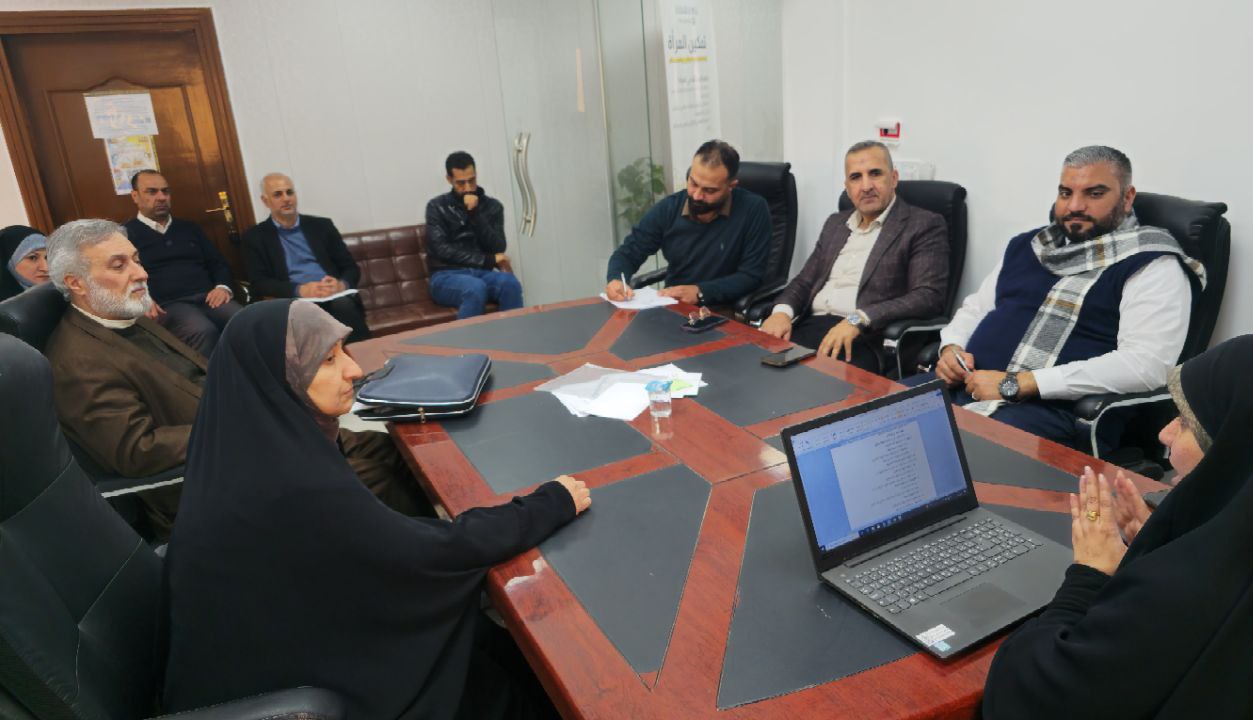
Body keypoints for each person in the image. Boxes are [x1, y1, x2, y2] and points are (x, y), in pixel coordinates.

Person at [163, 299, 591, 719]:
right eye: (327, 360)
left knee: (483, 637)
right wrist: (547, 505)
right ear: (281, 378)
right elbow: (429, 553)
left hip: (276, 643)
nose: (353, 369)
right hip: (303, 687)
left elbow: (372, 538)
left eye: (342, 352)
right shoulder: (294, 482)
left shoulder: (240, 442)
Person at [43, 219, 428, 540]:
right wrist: (244, 425)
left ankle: (432, 538)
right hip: (211, 483)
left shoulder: (125, 319)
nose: (141, 273)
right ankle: (415, 564)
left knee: (387, 446)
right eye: (119, 265)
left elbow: (202, 380)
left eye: (136, 259)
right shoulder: (77, 361)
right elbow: (137, 450)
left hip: (248, 443)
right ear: (76, 283)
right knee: (369, 478)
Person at [983, 333, 1253, 719]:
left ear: (1237, 450)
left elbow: (1025, 696)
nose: (1164, 434)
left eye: (1185, 423)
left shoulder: (1182, 599)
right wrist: (1157, 553)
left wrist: (1089, 575)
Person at [927, 146, 1205, 454]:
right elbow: (976, 309)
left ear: (1127, 198)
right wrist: (951, 348)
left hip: (1047, 414)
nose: (1075, 206)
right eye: (1065, 192)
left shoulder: (1153, 264)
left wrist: (1020, 383)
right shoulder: (1029, 246)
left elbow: (1146, 364)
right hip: (963, 386)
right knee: (888, 416)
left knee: (934, 452)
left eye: (1094, 194)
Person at [759, 141, 948, 372]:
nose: (866, 186)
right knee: (752, 369)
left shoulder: (923, 225)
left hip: (864, 338)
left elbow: (928, 296)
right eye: (856, 177)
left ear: (894, 178)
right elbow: (805, 280)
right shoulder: (835, 223)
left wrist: (857, 320)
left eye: (875, 173)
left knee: (806, 386)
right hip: (809, 327)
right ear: (847, 188)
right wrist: (781, 313)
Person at [604, 139, 771, 307]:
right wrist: (616, 279)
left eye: (709, 190)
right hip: (674, 306)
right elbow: (628, 253)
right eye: (693, 183)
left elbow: (751, 275)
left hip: (724, 310)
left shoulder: (753, 209)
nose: (697, 195)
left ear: (731, 186)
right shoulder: (668, 209)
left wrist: (700, 292)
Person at [123, 170, 243, 357]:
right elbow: (123, 277)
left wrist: (223, 287)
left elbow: (218, 263)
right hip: (169, 305)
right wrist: (141, 299)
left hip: (208, 297)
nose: (161, 197)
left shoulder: (190, 229)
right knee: (202, 330)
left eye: (165, 191)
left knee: (243, 320)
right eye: (152, 192)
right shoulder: (125, 235)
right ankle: (204, 377)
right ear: (135, 196)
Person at [241, 173, 371, 340]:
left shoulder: (322, 226)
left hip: (332, 295)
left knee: (344, 306)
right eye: (278, 194)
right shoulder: (254, 237)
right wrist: (300, 290)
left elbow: (350, 267)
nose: (286, 199)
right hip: (295, 300)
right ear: (265, 201)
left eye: (290, 192)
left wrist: (341, 285)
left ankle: (365, 355)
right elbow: (260, 283)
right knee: (306, 316)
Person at [425, 151, 522, 319]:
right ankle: (463, 338)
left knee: (510, 284)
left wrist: (475, 214)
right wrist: (488, 260)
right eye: (461, 183)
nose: (468, 188)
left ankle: (514, 335)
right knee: (475, 288)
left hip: (481, 273)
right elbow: (441, 250)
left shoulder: (493, 206)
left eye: (471, 180)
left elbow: (498, 246)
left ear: (476, 175)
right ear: (449, 179)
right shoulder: (436, 207)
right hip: (445, 276)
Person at [0, 224, 48, 300]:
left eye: (47, 257)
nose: (46, 268)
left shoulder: (63, 295)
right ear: (8, 263)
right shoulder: (5, 307)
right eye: (32, 258)